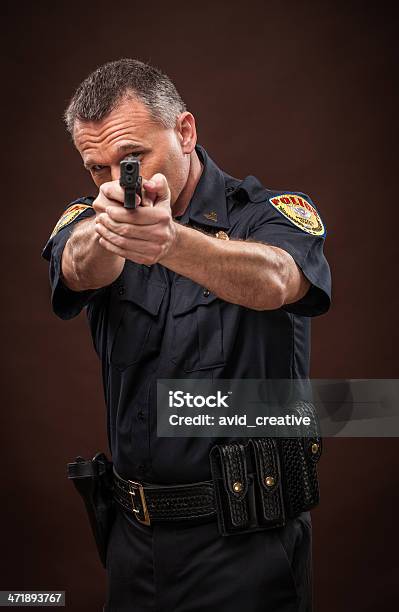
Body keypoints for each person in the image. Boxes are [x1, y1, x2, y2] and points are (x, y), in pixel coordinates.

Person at [42, 59, 331, 612]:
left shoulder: (266, 215)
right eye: (95, 168)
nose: (113, 180)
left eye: (131, 159)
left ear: (185, 132)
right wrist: (110, 234)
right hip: (132, 543)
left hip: (246, 544)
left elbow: (276, 278)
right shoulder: (98, 218)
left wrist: (170, 242)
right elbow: (74, 267)